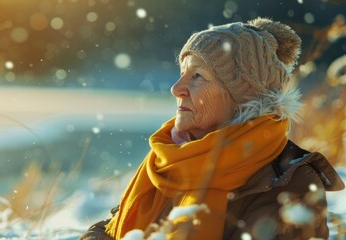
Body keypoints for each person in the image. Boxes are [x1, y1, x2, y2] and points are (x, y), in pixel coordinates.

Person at [79, 17, 345, 240]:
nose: (176, 89)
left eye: (197, 76)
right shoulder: (171, 158)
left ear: (242, 98)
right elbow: (111, 231)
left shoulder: (289, 184)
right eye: (182, 72)